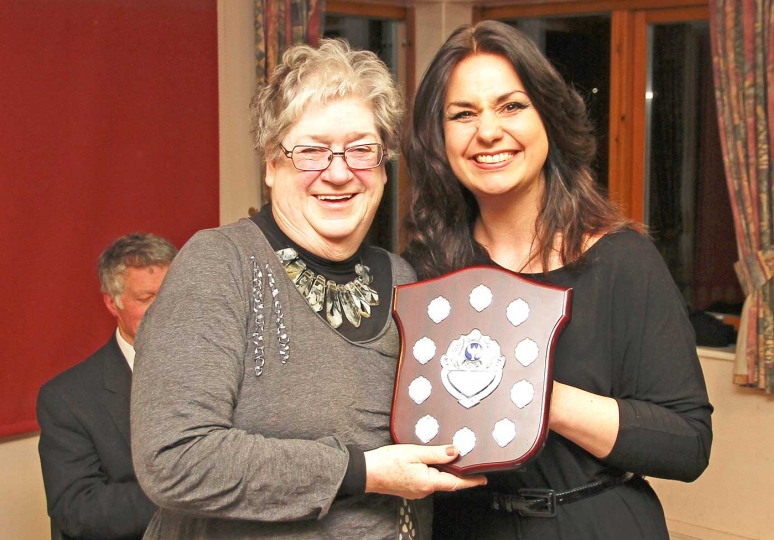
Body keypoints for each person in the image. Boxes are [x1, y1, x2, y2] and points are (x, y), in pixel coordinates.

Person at [130, 39, 485, 540]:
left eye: (361, 149)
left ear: (382, 168)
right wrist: (362, 472)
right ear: (272, 165)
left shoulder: (406, 279)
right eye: (312, 151)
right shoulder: (220, 264)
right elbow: (174, 459)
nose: (339, 172)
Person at [403, 21, 713, 540]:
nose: (487, 132)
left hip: (596, 524)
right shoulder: (424, 269)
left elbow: (688, 444)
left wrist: (530, 393)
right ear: (439, 138)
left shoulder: (623, 262)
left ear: (549, 116)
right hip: (463, 526)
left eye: (511, 106)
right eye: (463, 114)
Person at [37, 233, 177, 540]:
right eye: (145, 299)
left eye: (170, 294)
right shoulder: (66, 398)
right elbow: (78, 510)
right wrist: (187, 496)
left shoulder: (220, 367)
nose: (164, 310)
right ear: (111, 303)